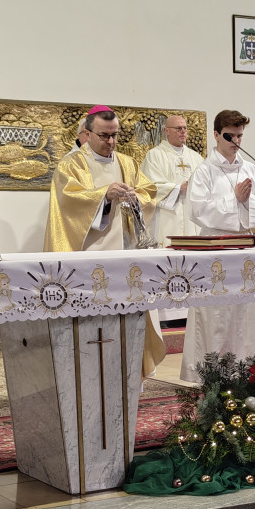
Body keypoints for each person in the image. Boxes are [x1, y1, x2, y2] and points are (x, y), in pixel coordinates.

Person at [46, 105, 165, 377]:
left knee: (129, 321)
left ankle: (132, 375)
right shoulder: (71, 164)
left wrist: (136, 198)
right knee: (97, 327)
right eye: (104, 135)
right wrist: (104, 196)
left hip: (127, 254)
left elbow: (149, 194)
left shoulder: (127, 163)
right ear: (86, 134)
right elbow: (68, 205)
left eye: (115, 135)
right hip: (92, 256)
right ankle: (91, 374)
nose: (111, 142)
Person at [180, 109, 255, 383]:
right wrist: (234, 200)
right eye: (230, 135)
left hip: (244, 249)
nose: (236, 141)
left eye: (240, 135)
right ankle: (211, 376)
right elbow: (196, 210)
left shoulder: (250, 168)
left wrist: (246, 201)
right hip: (214, 252)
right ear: (217, 135)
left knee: (245, 314)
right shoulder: (204, 171)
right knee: (215, 316)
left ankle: (249, 373)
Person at [139, 115, 204, 245]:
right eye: (178, 128)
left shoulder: (196, 157)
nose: (183, 131)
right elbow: (147, 188)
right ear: (166, 131)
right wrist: (178, 188)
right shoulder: (154, 155)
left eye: (185, 128)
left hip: (192, 217)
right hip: (166, 217)